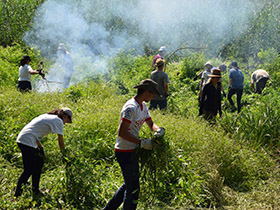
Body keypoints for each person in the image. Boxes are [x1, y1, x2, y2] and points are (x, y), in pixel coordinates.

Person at [102, 79, 164, 210]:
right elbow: (122, 132)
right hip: (124, 151)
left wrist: (158, 130)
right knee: (133, 188)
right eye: (152, 94)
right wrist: (142, 143)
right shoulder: (131, 107)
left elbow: (150, 123)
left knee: (129, 184)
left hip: (133, 150)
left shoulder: (143, 106)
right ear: (147, 91)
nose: (153, 97)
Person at [14, 108, 73, 197]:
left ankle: (35, 190)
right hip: (27, 141)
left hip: (26, 139)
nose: (64, 123)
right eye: (66, 121)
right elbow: (61, 142)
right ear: (65, 116)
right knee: (29, 169)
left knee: (39, 163)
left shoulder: (46, 116)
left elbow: (35, 132)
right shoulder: (58, 120)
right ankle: (17, 195)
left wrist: (41, 148)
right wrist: (64, 156)